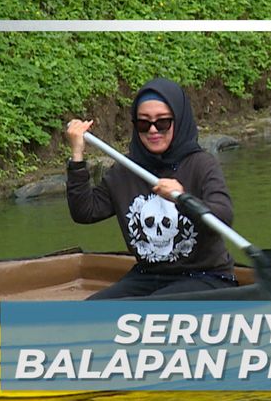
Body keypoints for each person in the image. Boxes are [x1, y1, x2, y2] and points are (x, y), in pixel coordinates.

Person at [64, 77, 236, 299]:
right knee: (90, 309)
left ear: (178, 121)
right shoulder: (125, 170)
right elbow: (84, 212)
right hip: (148, 276)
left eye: (162, 122)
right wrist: (77, 156)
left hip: (206, 277)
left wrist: (182, 198)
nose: (153, 130)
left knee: (152, 308)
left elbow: (223, 217)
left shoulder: (202, 165)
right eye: (144, 123)